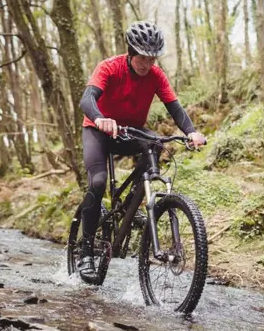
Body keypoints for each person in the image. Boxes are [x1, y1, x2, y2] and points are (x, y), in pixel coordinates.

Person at [78, 21, 206, 283]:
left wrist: (191, 131)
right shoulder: (109, 67)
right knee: (98, 181)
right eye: (142, 57)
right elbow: (86, 99)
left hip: (130, 131)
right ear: (131, 52)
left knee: (157, 143)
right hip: (98, 130)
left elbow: (175, 108)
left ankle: (134, 202)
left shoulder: (156, 76)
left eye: (152, 58)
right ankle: (86, 250)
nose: (147, 63)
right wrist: (100, 117)